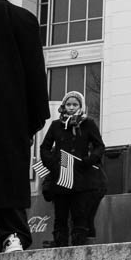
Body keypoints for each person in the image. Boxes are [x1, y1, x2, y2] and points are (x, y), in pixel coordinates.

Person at [0, 0, 50, 253]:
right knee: (8, 174)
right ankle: (12, 236)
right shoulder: (23, 19)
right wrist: (32, 121)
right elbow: (35, 75)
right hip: (10, 117)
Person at [39, 91, 106, 247]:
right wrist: (53, 164)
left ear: (80, 106)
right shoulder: (56, 125)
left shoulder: (88, 123)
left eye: (75, 104)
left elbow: (99, 146)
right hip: (60, 175)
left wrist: (88, 161)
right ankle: (60, 243)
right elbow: (44, 148)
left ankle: (78, 245)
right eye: (68, 104)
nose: (71, 107)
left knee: (80, 213)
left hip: (81, 176)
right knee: (60, 214)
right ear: (64, 106)